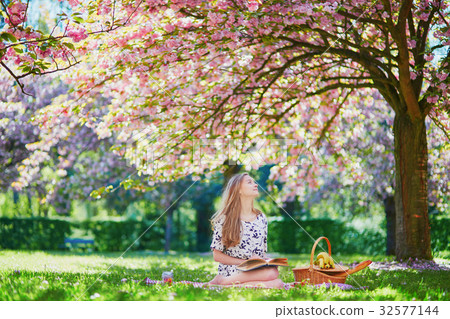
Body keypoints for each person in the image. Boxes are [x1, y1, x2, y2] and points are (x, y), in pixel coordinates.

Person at [207, 173, 285, 288]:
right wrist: (246, 261)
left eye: (254, 182)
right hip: (234, 270)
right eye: (249, 182)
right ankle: (225, 280)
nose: (255, 185)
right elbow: (217, 256)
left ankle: (224, 284)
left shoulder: (261, 217)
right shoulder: (225, 218)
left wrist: (267, 261)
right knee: (272, 274)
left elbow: (260, 253)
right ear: (238, 189)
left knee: (277, 281)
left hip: (254, 270)